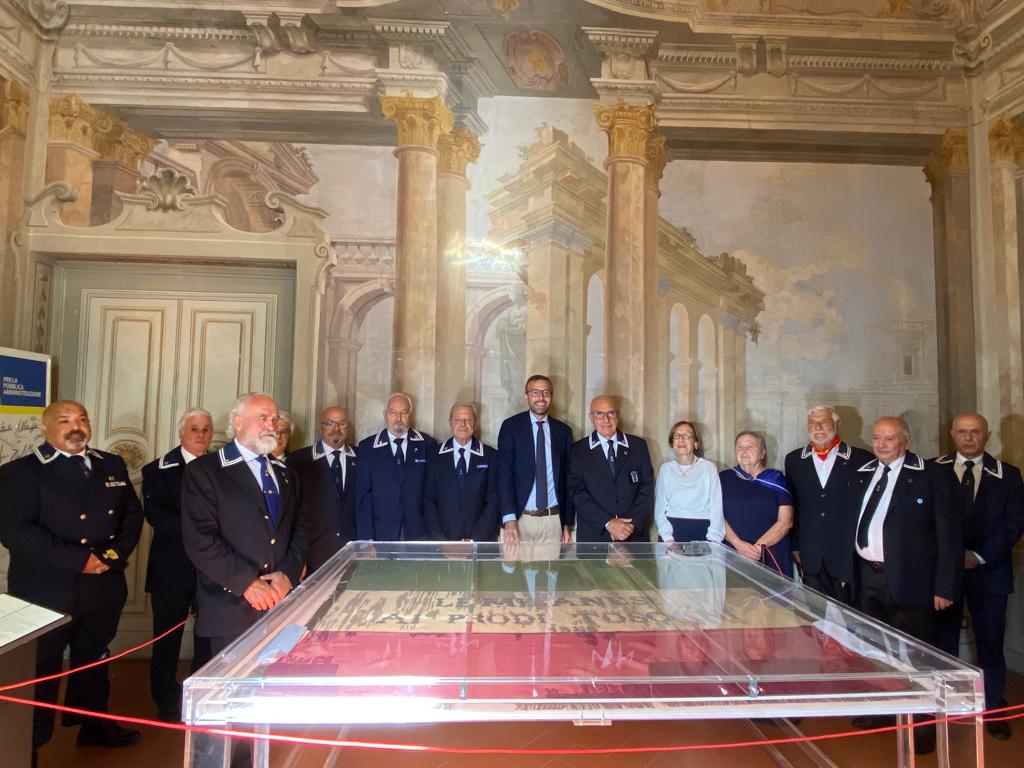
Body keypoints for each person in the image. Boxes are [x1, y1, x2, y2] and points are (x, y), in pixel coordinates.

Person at [0, 400, 144, 758]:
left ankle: (94, 725)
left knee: (94, 657)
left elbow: (131, 515)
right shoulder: (20, 472)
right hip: (45, 589)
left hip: (101, 584)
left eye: (81, 419)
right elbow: (16, 532)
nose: (76, 426)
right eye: (64, 420)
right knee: (42, 668)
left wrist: (110, 557)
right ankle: (30, 745)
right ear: (44, 427)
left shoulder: (110, 464)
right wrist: (80, 560)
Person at [846, 416, 958, 754]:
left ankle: (922, 727)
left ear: (905, 441)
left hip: (913, 581)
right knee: (875, 651)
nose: (880, 445)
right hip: (869, 577)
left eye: (889, 439)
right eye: (877, 438)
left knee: (916, 656)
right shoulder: (866, 473)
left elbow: (949, 535)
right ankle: (882, 711)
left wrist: (945, 586)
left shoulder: (932, 475)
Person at [930, 412, 1023, 740]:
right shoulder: (934, 469)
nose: (968, 438)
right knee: (942, 643)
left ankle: (993, 710)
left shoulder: (1008, 475)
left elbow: (1014, 523)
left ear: (987, 435)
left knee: (990, 644)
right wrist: (952, 557)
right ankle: (942, 707)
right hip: (945, 574)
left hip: (991, 573)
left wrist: (980, 556)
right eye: (962, 432)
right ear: (952, 434)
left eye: (975, 432)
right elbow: (924, 521)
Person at [142, 407, 214, 723]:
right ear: (181, 433)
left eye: (206, 429)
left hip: (212, 569)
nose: (201, 435)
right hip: (171, 570)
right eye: (194, 429)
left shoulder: (222, 467)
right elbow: (158, 517)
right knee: (166, 640)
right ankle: (166, 701)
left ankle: (200, 696)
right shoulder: (157, 470)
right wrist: (204, 529)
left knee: (207, 638)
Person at [784, 405, 871, 601]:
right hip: (811, 555)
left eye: (824, 422)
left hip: (848, 555)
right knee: (815, 614)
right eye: (813, 423)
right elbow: (794, 505)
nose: (818, 427)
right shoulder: (794, 460)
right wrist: (795, 545)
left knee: (850, 615)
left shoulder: (862, 458)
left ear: (837, 425)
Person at [496, 374, 573, 544]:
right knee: (516, 563)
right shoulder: (511, 427)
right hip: (519, 520)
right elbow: (503, 476)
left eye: (546, 392)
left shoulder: (563, 432)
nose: (541, 398)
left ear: (551, 396)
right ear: (526, 396)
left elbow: (568, 480)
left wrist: (566, 523)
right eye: (535, 392)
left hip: (553, 520)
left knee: (552, 563)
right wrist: (509, 519)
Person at [567, 395, 653, 542]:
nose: (606, 420)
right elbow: (576, 492)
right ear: (591, 417)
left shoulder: (638, 446)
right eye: (599, 414)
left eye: (611, 413)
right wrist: (607, 523)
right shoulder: (578, 450)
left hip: (633, 534)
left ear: (618, 416)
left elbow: (647, 487)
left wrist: (629, 525)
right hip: (595, 535)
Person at [355, 393, 436, 540]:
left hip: (420, 533)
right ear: (385, 415)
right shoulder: (367, 448)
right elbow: (363, 497)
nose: (398, 418)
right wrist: (366, 540)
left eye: (403, 412)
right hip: (381, 533)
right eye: (393, 412)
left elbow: (433, 492)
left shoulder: (427, 444)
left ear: (411, 415)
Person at [288, 406, 357, 573]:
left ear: (348, 427)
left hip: (353, 553)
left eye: (341, 424)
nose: (336, 429)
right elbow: (291, 513)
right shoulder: (298, 461)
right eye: (330, 424)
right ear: (321, 427)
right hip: (312, 555)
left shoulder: (362, 457)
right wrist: (297, 558)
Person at [720, 430, 794, 576]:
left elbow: (786, 522)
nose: (744, 451)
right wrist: (738, 544)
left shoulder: (777, 479)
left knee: (772, 591)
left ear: (762, 453)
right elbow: (716, 515)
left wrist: (757, 549)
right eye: (740, 446)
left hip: (771, 553)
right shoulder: (723, 479)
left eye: (750, 446)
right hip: (733, 552)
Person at [423, 403, 499, 541]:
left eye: (468, 419)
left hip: (480, 543)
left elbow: (494, 502)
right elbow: (428, 501)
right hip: (442, 544)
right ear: (450, 423)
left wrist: (474, 540)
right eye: (457, 420)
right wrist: (442, 542)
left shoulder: (491, 456)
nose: (462, 424)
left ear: (475, 423)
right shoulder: (434, 455)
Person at [653, 420, 724, 544]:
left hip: (703, 529)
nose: (681, 439)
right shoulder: (665, 469)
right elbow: (659, 508)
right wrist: (667, 537)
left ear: (695, 443)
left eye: (687, 436)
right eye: (676, 436)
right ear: (672, 444)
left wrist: (713, 539)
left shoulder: (708, 468)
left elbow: (716, 507)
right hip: (671, 531)